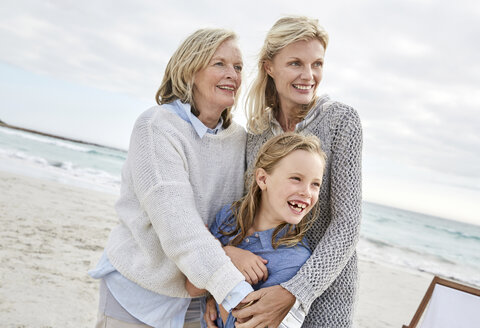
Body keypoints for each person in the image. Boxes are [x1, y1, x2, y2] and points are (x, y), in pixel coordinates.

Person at [89, 28, 257, 328]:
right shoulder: (156, 127)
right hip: (139, 293)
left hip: (197, 299)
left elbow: (238, 217)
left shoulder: (238, 140)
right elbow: (178, 225)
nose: (232, 74)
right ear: (189, 70)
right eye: (219, 63)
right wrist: (236, 292)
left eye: (238, 67)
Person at [231, 16, 363, 327]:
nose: (309, 75)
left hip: (325, 290)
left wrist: (296, 291)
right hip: (261, 280)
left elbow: (347, 223)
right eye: (295, 63)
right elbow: (245, 213)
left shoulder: (341, 122)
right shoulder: (256, 133)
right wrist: (221, 279)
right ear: (269, 67)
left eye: (317, 64)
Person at [186, 132, 326, 328]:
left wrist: (219, 262)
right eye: (296, 178)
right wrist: (227, 254)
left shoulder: (294, 260)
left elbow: (239, 322)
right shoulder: (227, 217)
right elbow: (192, 287)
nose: (307, 192)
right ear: (262, 179)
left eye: (315, 184)